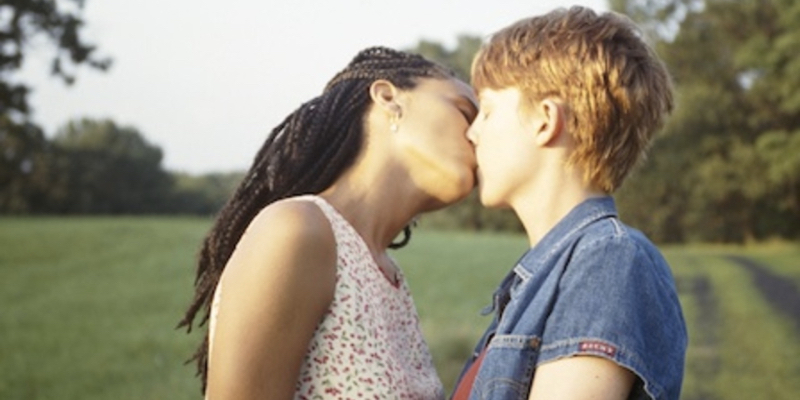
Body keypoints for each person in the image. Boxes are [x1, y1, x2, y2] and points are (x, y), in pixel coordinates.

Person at [176, 46, 479, 399]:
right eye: (464, 112)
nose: (476, 135)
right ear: (387, 97)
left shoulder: (387, 275)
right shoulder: (295, 229)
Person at [452, 6, 687, 400]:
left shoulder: (607, 259)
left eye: (488, 111)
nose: (472, 133)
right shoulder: (544, 281)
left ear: (545, 120)